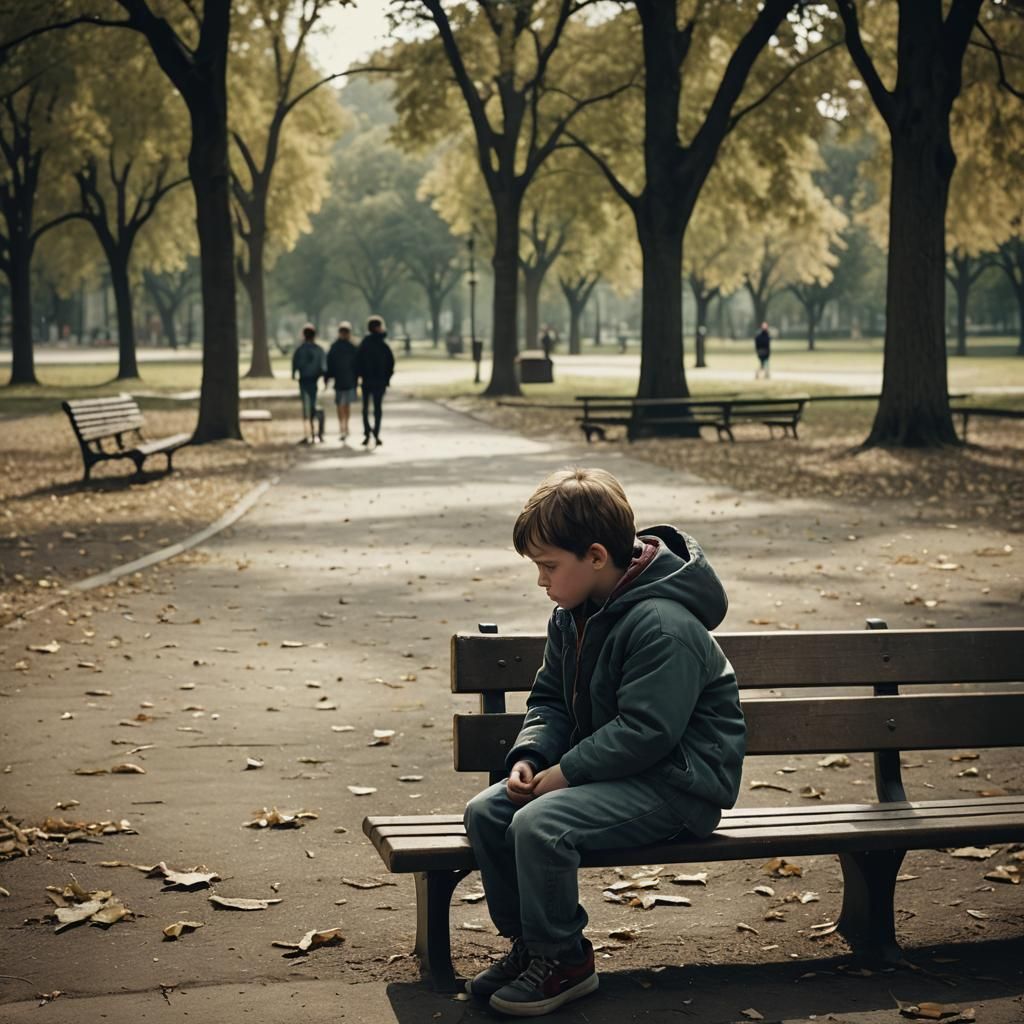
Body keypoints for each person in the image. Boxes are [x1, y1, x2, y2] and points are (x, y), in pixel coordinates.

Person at [463, 468, 745, 1017]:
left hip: (678, 783)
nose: (541, 581)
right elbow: (549, 700)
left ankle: (565, 962)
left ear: (595, 556)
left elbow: (647, 732)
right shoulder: (573, 616)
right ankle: (532, 948)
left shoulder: (662, 624)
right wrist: (531, 757)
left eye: (548, 566)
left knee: (541, 824)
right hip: (617, 773)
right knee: (488, 813)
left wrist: (563, 775)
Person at [354, 315, 395, 447]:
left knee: (365, 408)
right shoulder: (383, 345)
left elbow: (357, 362)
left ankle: (367, 433)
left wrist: (359, 376)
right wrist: (387, 378)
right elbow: (390, 363)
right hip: (379, 381)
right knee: (377, 408)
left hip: (367, 381)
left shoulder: (364, 344)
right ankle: (376, 433)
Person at [291, 323, 326, 444]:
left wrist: (294, 374)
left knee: (306, 407)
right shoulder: (318, 349)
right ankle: (318, 432)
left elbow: (295, 364)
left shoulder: (300, 350)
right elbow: (324, 367)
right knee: (314, 405)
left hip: (304, 380)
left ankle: (309, 433)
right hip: (315, 380)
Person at [325, 321, 358, 442]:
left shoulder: (336, 347)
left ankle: (343, 426)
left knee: (342, 404)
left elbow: (329, 364)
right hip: (346, 380)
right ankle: (344, 426)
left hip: (343, 380)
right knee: (344, 404)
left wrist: (327, 378)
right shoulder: (351, 347)